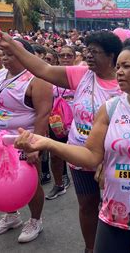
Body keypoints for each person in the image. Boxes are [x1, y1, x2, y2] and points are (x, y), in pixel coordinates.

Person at [15, 45, 130, 253]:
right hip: (115, 212)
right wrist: (47, 143)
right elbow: (91, 156)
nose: (119, 71)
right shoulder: (110, 109)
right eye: (118, 66)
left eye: (127, 66)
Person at [0, 31, 122, 253]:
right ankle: (90, 249)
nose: (88, 56)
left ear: (112, 56)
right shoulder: (81, 75)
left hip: (115, 161)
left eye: (95, 52)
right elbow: (43, 69)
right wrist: (11, 45)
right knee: (87, 206)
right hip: (78, 156)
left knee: (118, 211)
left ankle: (123, 247)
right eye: (87, 50)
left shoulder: (125, 83)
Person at [0, 39, 52, 243]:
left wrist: (35, 147)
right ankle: (12, 215)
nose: (4, 57)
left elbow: (43, 114)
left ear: (25, 55)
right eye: (2, 53)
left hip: (24, 140)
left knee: (31, 183)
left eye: (10, 53)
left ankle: (35, 220)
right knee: (2, 178)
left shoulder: (37, 79)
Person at [45, 46, 77, 200]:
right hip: (56, 121)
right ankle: (58, 184)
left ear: (74, 58)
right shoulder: (53, 75)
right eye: (62, 55)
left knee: (80, 156)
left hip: (77, 122)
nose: (65, 58)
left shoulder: (81, 75)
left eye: (68, 55)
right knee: (55, 154)